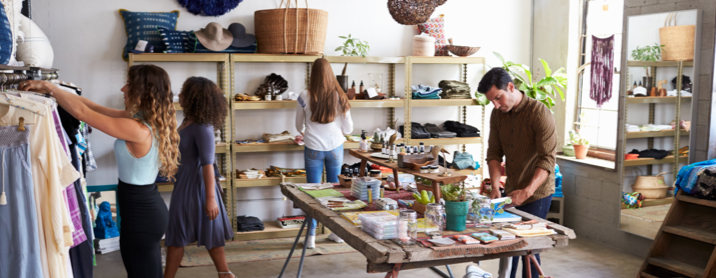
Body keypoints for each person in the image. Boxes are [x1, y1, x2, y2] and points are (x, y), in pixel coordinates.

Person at [20, 64, 180, 278]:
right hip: (142, 210)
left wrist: (49, 87)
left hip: (142, 215)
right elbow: (91, 106)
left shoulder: (137, 129)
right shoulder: (142, 121)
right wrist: (60, 91)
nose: (123, 89)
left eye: (129, 85)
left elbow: (82, 113)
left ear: (144, 91)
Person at [476, 67, 556, 278]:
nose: (496, 104)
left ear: (511, 87)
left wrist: (528, 191)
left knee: (528, 248)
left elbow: (547, 158)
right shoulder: (497, 114)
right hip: (510, 190)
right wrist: (495, 185)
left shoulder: (539, 113)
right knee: (510, 244)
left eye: (498, 98)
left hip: (537, 193)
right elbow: (494, 152)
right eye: (492, 100)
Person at [164, 77, 234, 278]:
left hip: (200, 186)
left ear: (195, 98)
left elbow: (207, 164)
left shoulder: (203, 127)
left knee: (209, 229)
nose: (180, 96)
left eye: (185, 93)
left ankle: (225, 273)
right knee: (177, 231)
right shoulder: (188, 122)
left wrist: (210, 199)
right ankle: (225, 274)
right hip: (184, 183)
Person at [295, 58, 354, 248]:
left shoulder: (304, 94)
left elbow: (298, 126)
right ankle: (337, 234)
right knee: (335, 191)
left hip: (313, 147)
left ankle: (310, 237)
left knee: (312, 192)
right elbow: (350, 128)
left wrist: (308, 133)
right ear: (330, 73)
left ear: (313, 74)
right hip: (335, 147)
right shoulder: (340, 95)